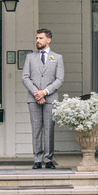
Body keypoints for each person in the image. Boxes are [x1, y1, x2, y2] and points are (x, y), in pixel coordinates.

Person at [22, 28, 64, 169]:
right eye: (37, 38)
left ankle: (48, 159)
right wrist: (37, 93)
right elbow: (25, 77)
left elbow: (59, 79)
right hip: (33, 98)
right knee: (36, 129)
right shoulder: (30, 57)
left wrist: (45, 92)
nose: (37, 41)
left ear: (48, 40)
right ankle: (37, 159)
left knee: (49, 129)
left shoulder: (57, 58)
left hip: (50, 98)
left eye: (40, 38)